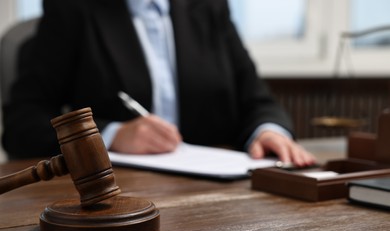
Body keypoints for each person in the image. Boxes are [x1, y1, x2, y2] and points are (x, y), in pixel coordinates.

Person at [2, 0, 316, 167]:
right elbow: (23, 123)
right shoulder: (72, 8)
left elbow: (257, 100)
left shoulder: (209, 7)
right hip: (116, 201)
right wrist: (111, 135)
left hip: (213, 199)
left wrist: (268, 131)